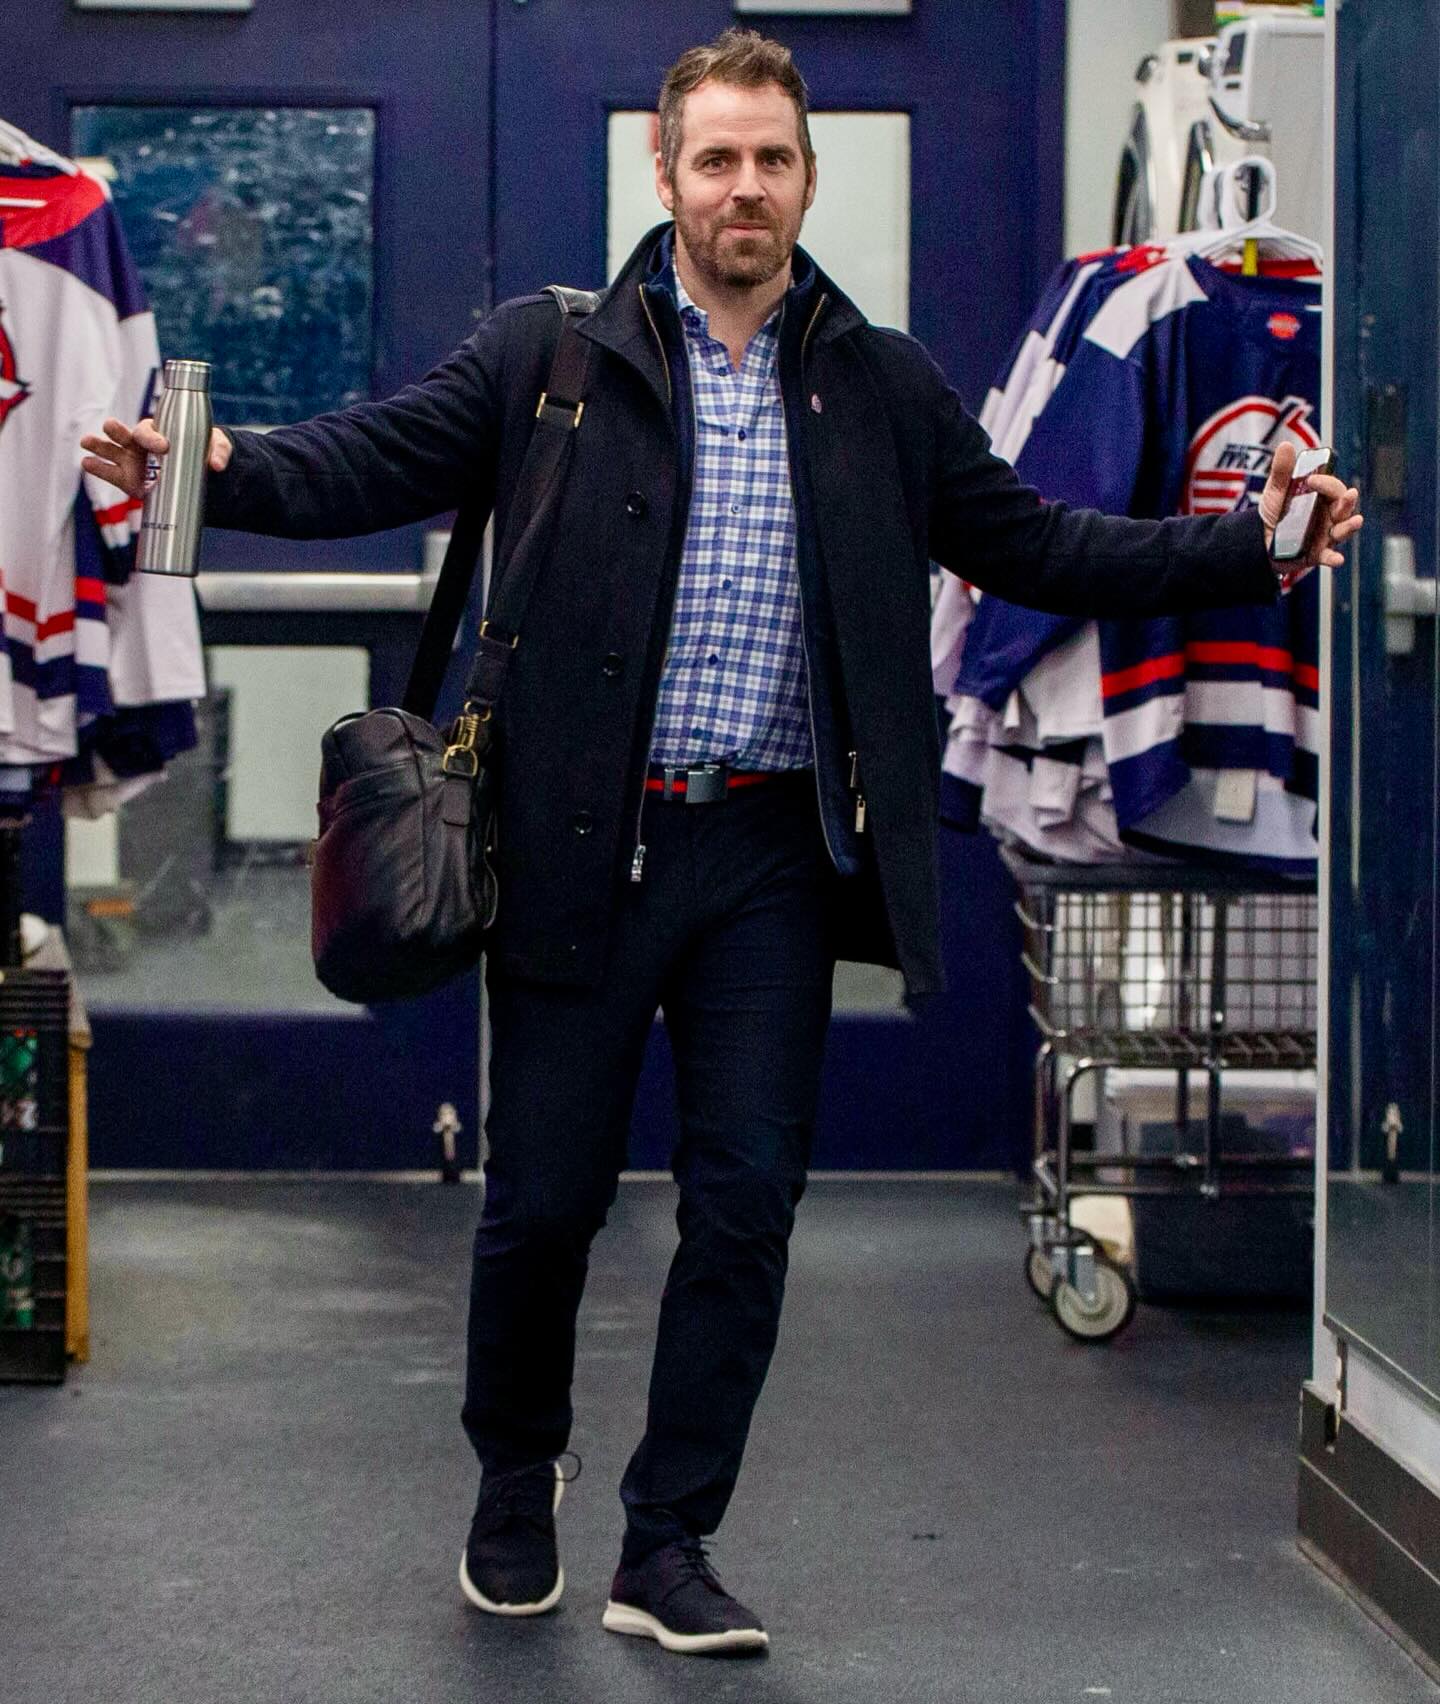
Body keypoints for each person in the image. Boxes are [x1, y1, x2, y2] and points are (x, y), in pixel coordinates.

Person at [82, 28, 1363, 1661]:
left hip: (767, 857)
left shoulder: (878, 382)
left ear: (804, 178)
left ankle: (669, 1541)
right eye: (716, 159)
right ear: (668, 175)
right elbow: (374, 457)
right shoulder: (548, 354)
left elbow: (1041, 541)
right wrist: (225, 462)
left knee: (748, 1204)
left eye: (771, 159)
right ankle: (510, 1476)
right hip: (574, 850)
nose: (743, 186)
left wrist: (1248, 545)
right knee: (543, 1205)